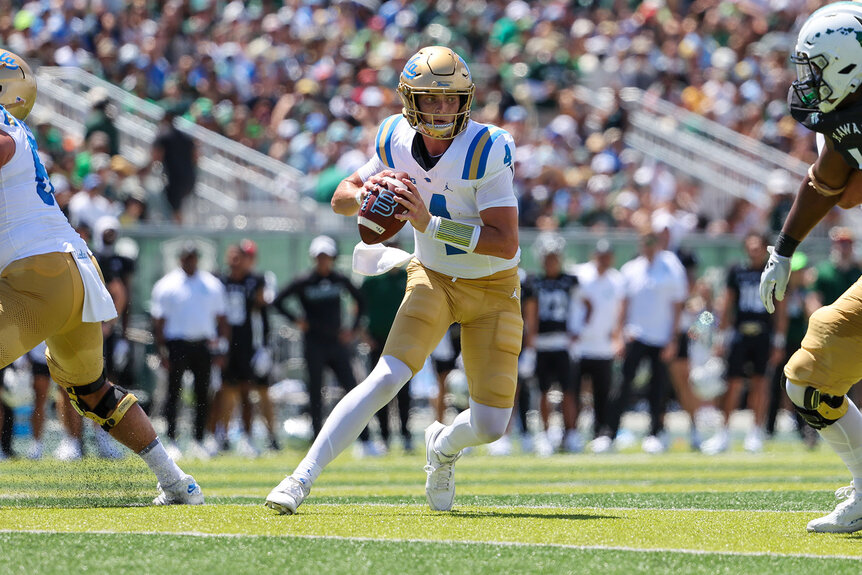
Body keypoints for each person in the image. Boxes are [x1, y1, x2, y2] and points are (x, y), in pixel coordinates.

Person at [266, 46, 520, 514]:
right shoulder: (394, 139)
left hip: (493, 289)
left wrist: (430, 224)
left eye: (451, 98)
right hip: (434, 278)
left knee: (490, 425)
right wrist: (367, 191)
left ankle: (442, 448)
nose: (442, 108)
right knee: (386, 377)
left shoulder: (486, 148)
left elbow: (505, 242)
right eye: (431, 98)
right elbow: (342, 196)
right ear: (411, 100)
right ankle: (299, 478)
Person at [0, 51, 201, 503]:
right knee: (93, 392)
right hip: (72, 274)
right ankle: (175, 480)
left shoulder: (6, 127)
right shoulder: (20, 128)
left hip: (38, 277)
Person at [760, 2, 862, 533]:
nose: (808, 81)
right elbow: (828, 183)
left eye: (816, 67)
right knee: (809, 380)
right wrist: (783, 249)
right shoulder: (847, 113)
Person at [594, 230, 687, 454]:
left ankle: (655, 433)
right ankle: (609, 433)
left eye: (651, 241)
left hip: (662, 337)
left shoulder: (671, 266)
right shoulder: (631, 269)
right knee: (623, 385)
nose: (648, 245)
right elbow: (623, 304)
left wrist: (673, 339)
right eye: (644, 241)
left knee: (658, 388)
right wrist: (618, 336)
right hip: (635, 335)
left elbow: (677, 306)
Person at [272, 235, 369, 445]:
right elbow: (278, 301)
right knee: (315, 391)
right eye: (319, 257)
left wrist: (352, 330)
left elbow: (361, 301)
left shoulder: (339, 279)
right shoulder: (304, 280)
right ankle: (317, 437)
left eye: (326, 257)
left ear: (332, 258)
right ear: (314, 258)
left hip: (337, 343)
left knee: (352, 388)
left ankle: (365, 438)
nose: (323, 261)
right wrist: (297, 320)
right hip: (314, 343)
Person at [702, 233, 783, 455]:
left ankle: (755, 433)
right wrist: (720, 337)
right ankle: (724, 433)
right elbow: (726, 304)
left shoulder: (772, 272)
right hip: (740, 332)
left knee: (760, 383)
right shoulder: (737, 271)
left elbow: (780, 308)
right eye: (750, 247)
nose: (754, 251)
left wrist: (779, 340)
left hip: (763, 334)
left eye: (758, 247)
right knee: (733, 383)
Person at [151, 241, 229, 459]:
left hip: (203, 345)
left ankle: (199, 439)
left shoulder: (211, 284)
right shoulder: (167, 285)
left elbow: (222, 318)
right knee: (173, 393)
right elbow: (158, 322)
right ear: (180, 259)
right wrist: (161, 352)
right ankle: (173, 439)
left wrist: (221, 349)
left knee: (203, 394)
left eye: (193, 257)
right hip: (177, 345)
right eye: (186, 257)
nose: (190, 260)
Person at [522, 232, 581, 455]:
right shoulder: (534, 281)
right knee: (544, 392)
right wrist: (530, 345)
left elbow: (583, 306)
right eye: (547, 257)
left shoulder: (570, 280)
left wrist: (577, 333)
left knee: (569, 391)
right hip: (542, 344)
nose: (551, 261)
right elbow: (531, 315)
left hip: (563, 343)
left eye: (554, 256)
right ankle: (546, 434)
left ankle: (572, 434)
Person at [359, 245, 413, 454]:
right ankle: (384, 436)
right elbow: (358, 309)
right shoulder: (372, 280)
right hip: (378, 341)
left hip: (403, 341)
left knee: (405, 391)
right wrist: (364, 336)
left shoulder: (408, 278)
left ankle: (406, 435)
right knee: (381, 389)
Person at [573, 240, 625, 453]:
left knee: (602, 393)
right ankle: (572, 433)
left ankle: (600, 434)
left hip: (603, 346)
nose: (604, 259)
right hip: (580, 345)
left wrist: (617, 336)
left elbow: (620, 310)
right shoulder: (579, 274)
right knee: (573, 391)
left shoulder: (616, 280)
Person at [151, 107, 197, 223]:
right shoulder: (186, 137)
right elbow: (196, 157)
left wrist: (146, 169)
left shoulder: (163, 135)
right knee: (179, 208)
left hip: (174, 179)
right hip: (189, 178)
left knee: (174, 211)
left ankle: (178, 234)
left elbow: (156, 157)